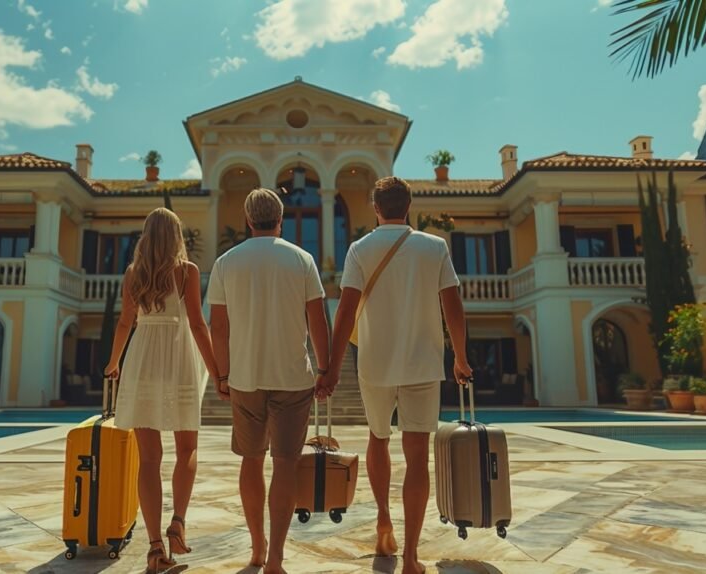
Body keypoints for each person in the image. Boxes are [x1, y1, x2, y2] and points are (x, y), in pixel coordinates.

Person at [321, 176, 471, 574]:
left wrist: (332, 368)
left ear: (375, 207)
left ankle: (384, 520)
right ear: (408, 206)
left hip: (375, 363)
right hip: (423, 364)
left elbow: (345, 311)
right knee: (417, 457)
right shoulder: (433, 246)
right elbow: (453, 305)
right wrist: (460, 357)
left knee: (378, 437)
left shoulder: (359, 249)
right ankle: (410, 557)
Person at [207, 188, 331, 574]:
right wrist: (325, 369)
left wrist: (221, 374)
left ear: (247, 220)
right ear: (280, 219)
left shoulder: (226, 262)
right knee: (285, 464)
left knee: (251, 460)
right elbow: (317, 320)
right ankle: (277, 555)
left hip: (244, 377)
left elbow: (219, 327)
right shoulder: (302, 259)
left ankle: (258, 547)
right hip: (293, 377)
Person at [104, 207, 220, 573]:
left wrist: (114, 362)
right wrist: (218, 373)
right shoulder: (187, 271)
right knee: (187, 447)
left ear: (146, 236)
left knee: (149, 458)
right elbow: (199, 326)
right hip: (180, 355)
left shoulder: (132, 274)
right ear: (176, 236)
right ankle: (178, 525)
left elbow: (125, 322)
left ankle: (155, 549)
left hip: (142, 358)